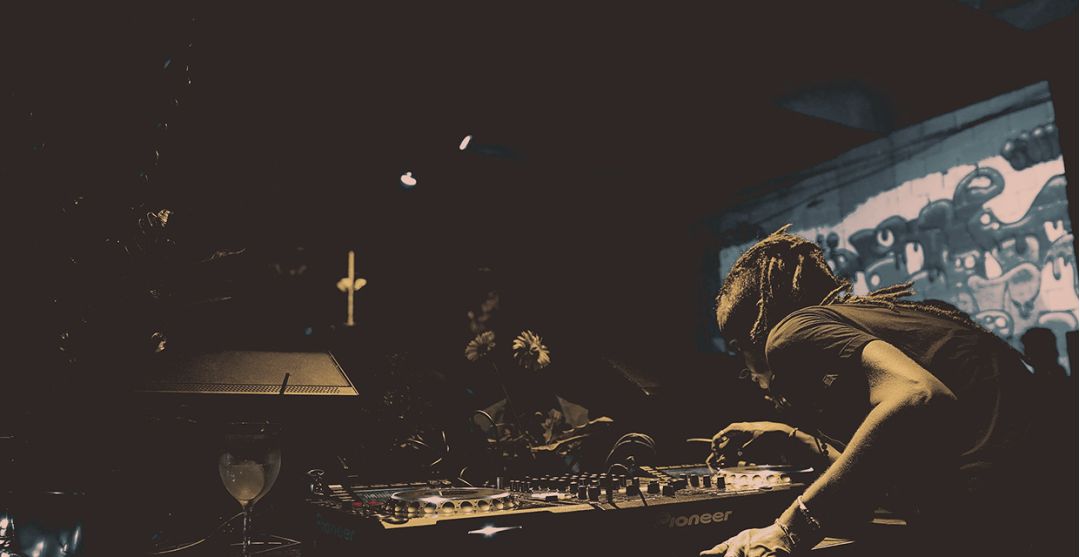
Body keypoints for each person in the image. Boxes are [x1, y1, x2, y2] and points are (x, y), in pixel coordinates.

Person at [700, 226, 1049, 557]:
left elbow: (917, 395)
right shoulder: (872, 321)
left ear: (750, 335)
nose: (747, 371)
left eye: (738, 351)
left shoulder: (790, 332)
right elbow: (878, 467)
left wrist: (787, 530)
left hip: (990, 519)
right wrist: (791, 437)